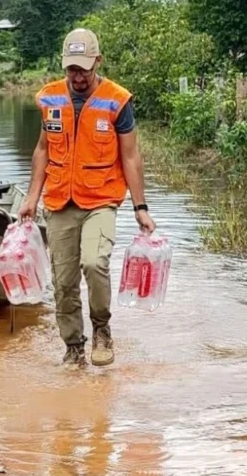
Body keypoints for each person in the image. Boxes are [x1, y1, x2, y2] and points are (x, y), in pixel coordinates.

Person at [18, 28, 156, 368]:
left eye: (84, 68)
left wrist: (141, 207)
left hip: (101, 200)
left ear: (98, 61)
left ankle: (102, 330)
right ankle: (74, 348)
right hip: (59, 201)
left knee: (94, 263)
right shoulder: (49, 99)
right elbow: (42, 150)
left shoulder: (117, 101)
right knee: (63, 283)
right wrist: (31, 197)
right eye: (71, 69)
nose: (78, 76)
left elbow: (131, 156)